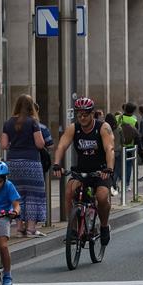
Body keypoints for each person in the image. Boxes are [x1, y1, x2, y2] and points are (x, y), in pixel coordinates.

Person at [52, 97, 116, 246]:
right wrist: (56, 164)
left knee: (102, 197)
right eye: (79, 115)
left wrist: (109, 168)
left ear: (92, 113)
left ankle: (104, 226)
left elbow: (109, 148)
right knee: (69, 191)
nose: (82, 118)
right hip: (81, 170)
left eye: (85, 114)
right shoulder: (73, 128)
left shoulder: (103, 127)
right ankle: (73, 230)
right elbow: (61, 146)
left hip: (101, 171)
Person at [1, 94, 46, 238]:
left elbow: (3, 145)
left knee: (17, 195)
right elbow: (40, 144)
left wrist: (15, 144)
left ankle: (19, 229)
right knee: (33, 194)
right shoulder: (33, 122)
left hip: (13, 163)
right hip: (31, 162)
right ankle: (31, 229)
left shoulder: (8, 123)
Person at [118, 102, 140, 191]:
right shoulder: (134, 120)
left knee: (119, 165)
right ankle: (126, 184)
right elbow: (137, 135)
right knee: (128, 165)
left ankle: (117, 182)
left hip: (121, 145)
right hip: (131, 145)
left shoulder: (120, 118)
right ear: (134, 111)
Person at [105, 113, 123, 195]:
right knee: (116, 170)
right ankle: (113, 185)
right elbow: (123, 140)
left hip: (108, 151)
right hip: (118, 151)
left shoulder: (105, 129)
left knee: (109, 169)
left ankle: (109, 185)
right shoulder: (119, 129)